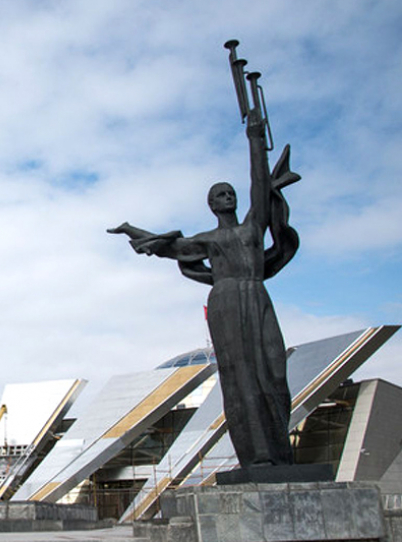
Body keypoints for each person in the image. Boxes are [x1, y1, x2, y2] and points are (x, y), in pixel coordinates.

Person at [108, 109, 300, 469]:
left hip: (256, 296)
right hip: (226, 300)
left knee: (274, 369)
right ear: (211, 205)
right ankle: (257, 455)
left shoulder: (251, 229)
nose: (227, 197)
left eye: (230, 193)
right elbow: (169, 247)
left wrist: (255, 140)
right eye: (220, 195)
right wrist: (132, 229)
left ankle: (281, 453)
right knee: (240, 376)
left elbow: (261, 188)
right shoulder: (208, 239)